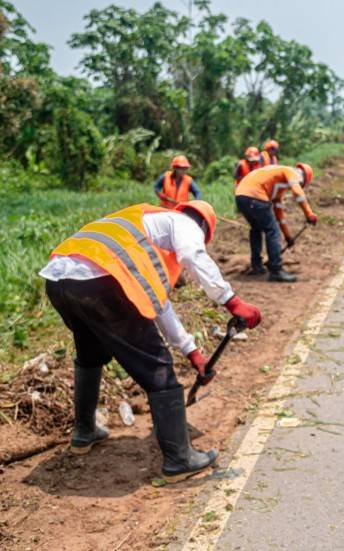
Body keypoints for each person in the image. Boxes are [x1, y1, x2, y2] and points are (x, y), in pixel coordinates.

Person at [40, 200, 263, 483]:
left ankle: (84, 433)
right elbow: (193, 255)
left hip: (59, 278)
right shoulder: (181, 223)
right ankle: (179, 460)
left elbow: (157, 304)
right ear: (203, 226)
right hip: (100, 280)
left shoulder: (138, 225)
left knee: (91, 352)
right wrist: (232, 302)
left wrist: (192, 352)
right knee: (156, 366)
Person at [235, 163, 317, 283]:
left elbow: (279, 216)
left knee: (256, 229)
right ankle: (276, 270)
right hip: (255, 195)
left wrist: (288, 236)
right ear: (303, 178)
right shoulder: (290, 171)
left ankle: (256, 265)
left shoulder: (276, 186)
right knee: (272, 231)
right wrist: (309, 213)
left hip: (241, 197)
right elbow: (298, 193)